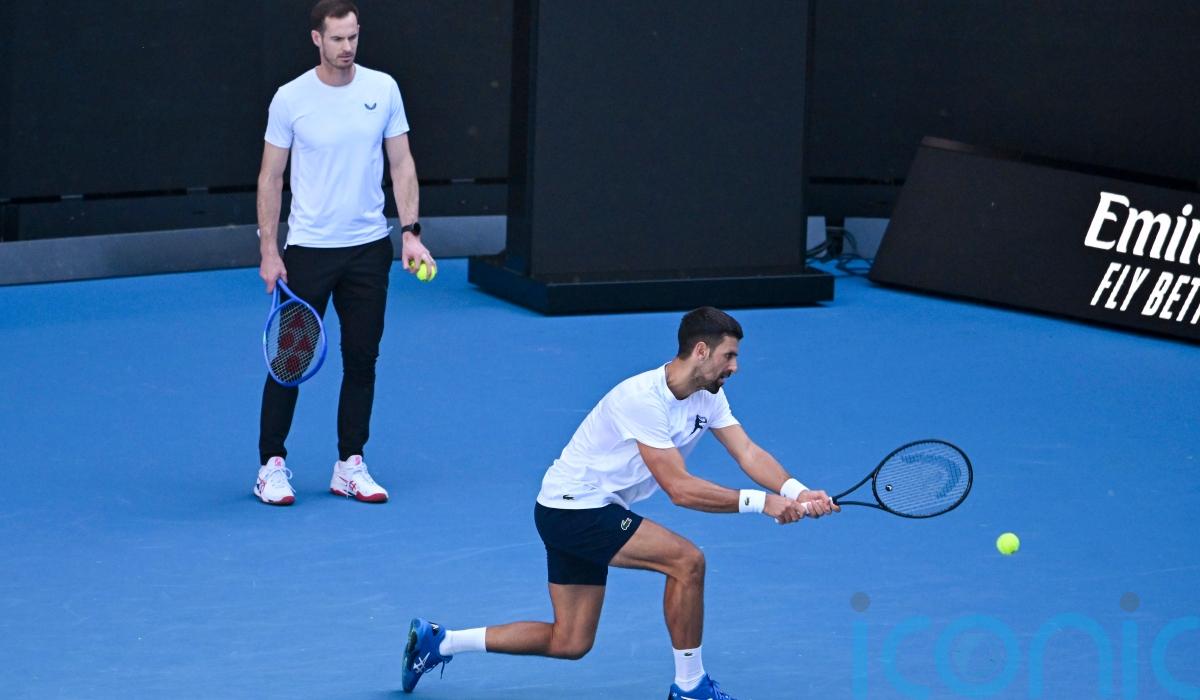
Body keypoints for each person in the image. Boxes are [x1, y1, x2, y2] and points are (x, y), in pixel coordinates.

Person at [401, 307, 839, 699]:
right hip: (575, 510)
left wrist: (796, 491)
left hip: (574, 509)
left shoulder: (710, 395)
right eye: (729, 356)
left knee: (570, 641)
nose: (735, 367)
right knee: (687, 562)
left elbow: (747, 452)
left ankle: (441, 642)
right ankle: (690, 688)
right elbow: (679, 489)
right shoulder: (642, 399)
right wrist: (761, 503)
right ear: (701, 351)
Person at [253, 0, 434, 506]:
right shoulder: (290, 98)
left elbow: (402, 164)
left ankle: (349, 464)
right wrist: (269, 249)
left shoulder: (383, 89)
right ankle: (271, 466)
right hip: (308, 252)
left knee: (362, 359)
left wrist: (411, 233)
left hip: (368, 251)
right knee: (290, 361)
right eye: (337, 38)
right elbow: (270, 176)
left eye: (353, 37)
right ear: (317, 39)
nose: (347, 47)